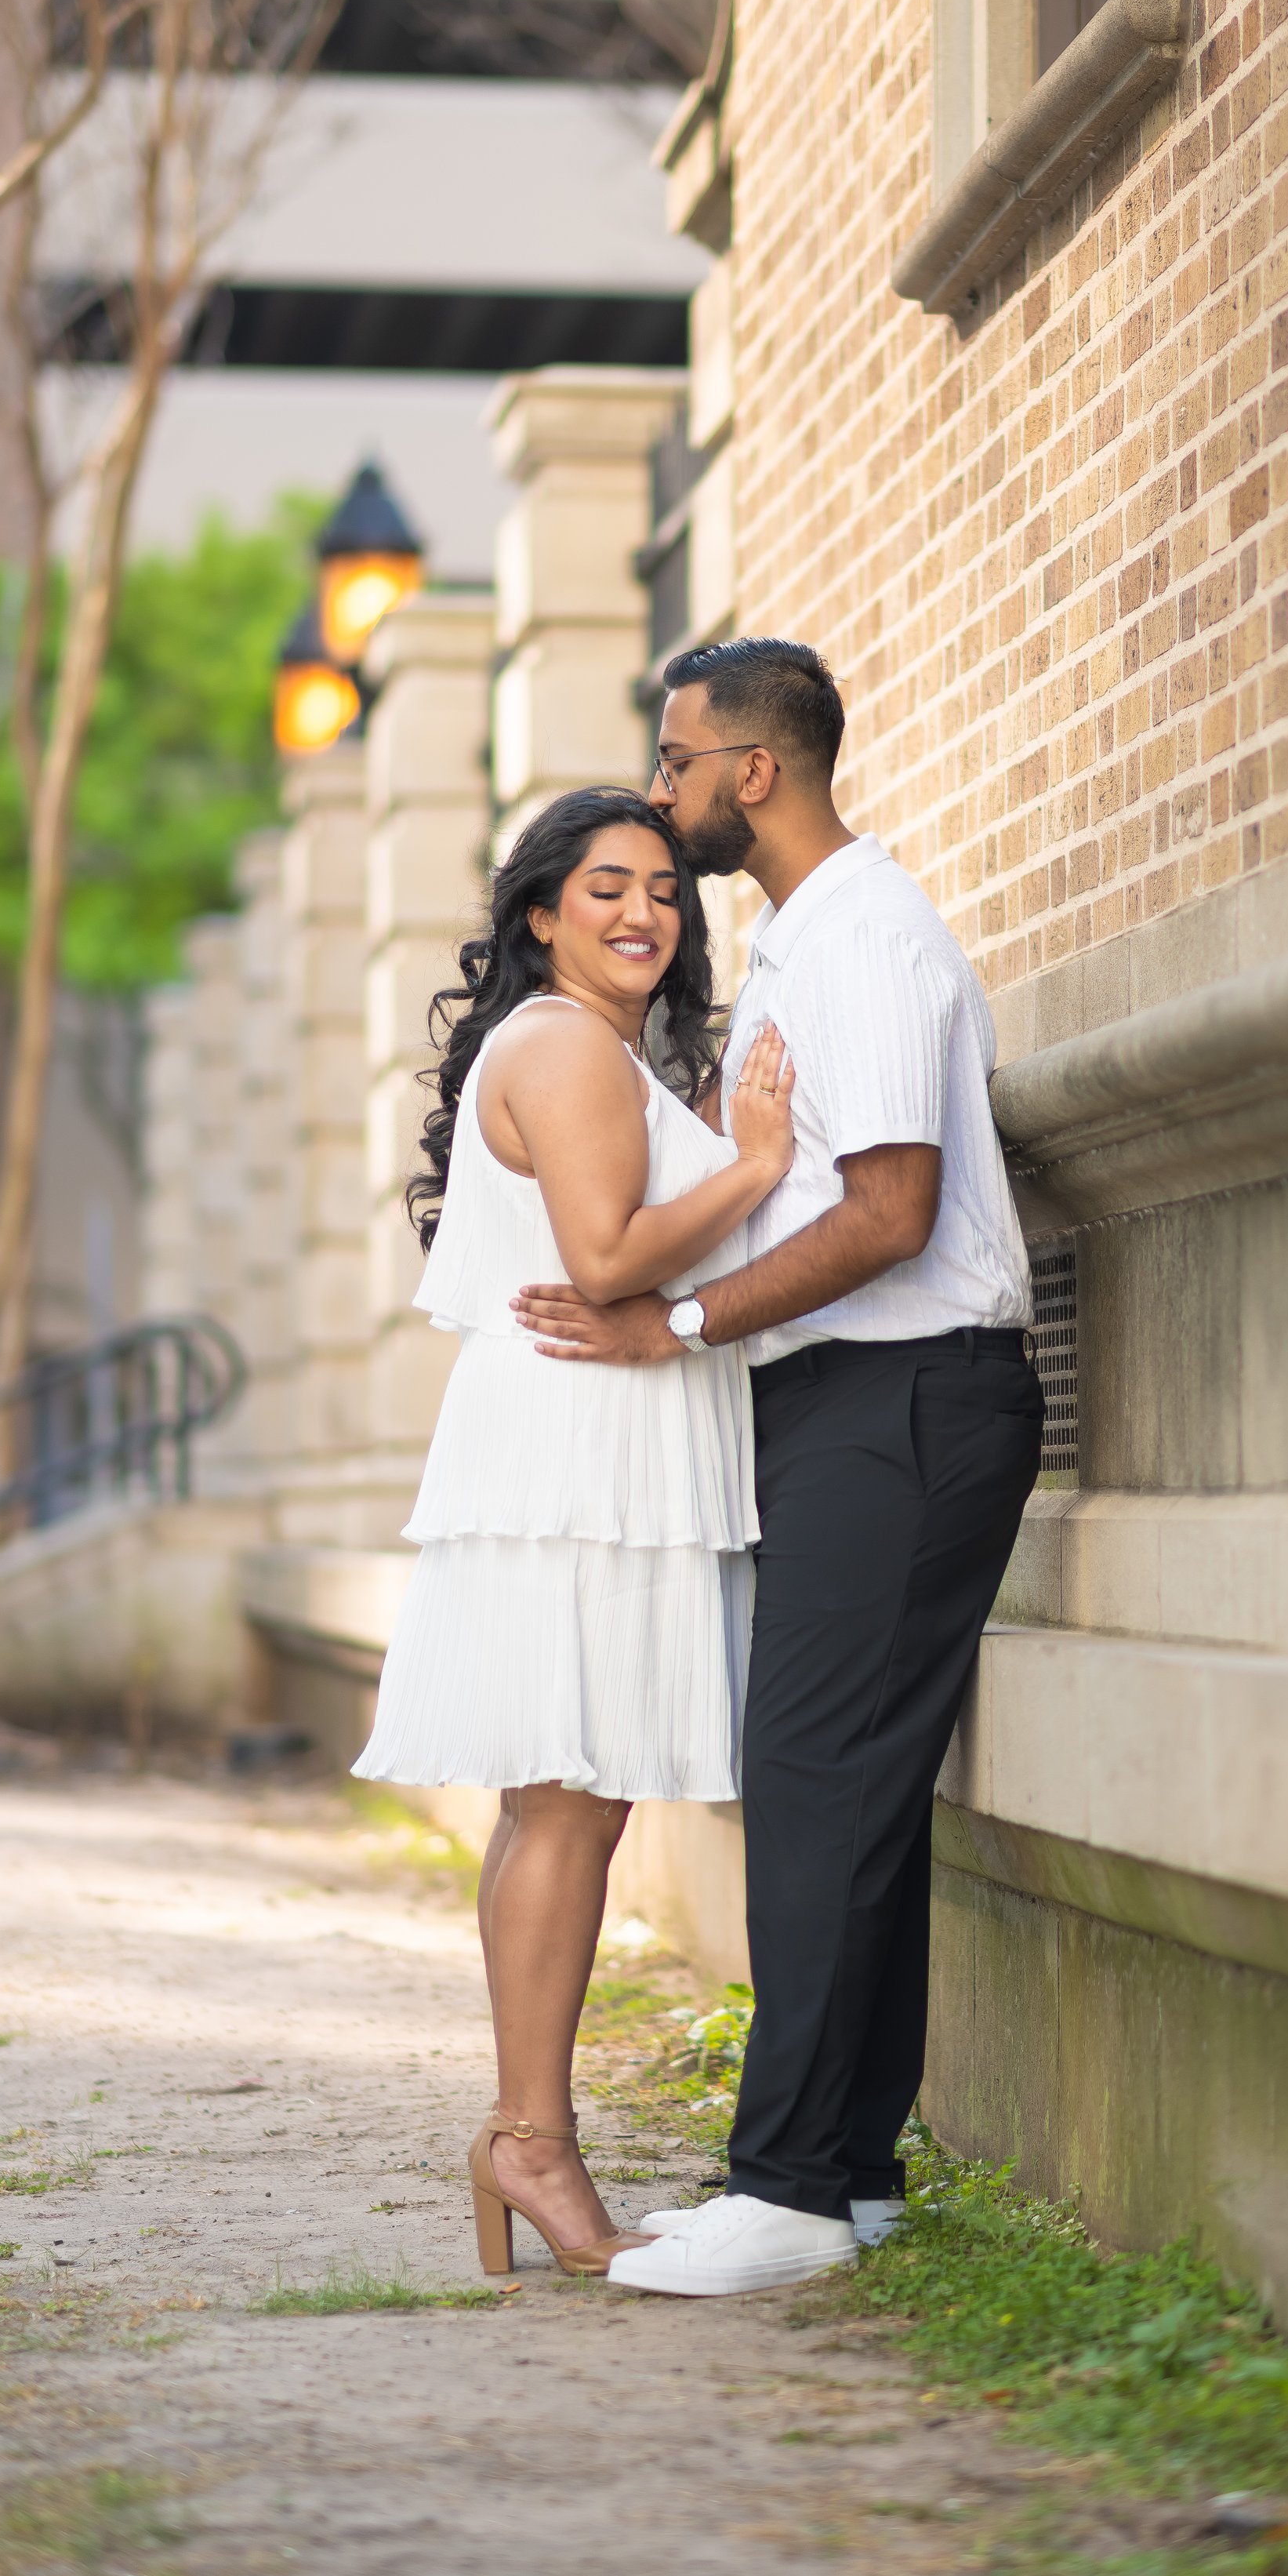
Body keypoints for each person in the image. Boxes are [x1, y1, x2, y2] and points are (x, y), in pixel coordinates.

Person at [513, 641, 1043, 2297]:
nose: (661, 799)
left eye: (675, 767)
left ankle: (789, 2190)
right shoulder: (806, 939)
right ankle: (851, 2172)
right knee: (850, 1792)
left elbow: (887, 1214)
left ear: (752, 772)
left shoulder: (863, 939)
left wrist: (677, 1322)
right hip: (855, 1408)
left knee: (812, 1788)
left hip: (901, 1401)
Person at [354, 787, 796, 2280]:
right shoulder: (560, 1044)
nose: (643, 914)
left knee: (555, 1801)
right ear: (541, 911)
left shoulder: (575, 1045)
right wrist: (754, 1166)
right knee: (571, 1808)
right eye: (606, 887)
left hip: (575, 1432)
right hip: (578, 1443)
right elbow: (607, 1256)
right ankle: (533, 2143)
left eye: (666, 892)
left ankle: (518, 2134)